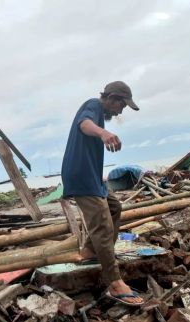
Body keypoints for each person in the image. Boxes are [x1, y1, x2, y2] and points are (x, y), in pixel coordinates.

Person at [61, 81, 143, 306]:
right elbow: (84, 124)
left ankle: (90, 250)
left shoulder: (98, 110)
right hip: (81, 175)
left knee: (115, 208)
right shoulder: (93, 106)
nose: (119, 112)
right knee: (102, 225)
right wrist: (104, 133)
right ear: (113, 98)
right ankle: (114, 282)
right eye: (121, 106)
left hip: (93, 177)